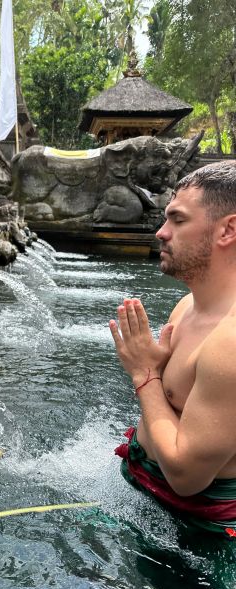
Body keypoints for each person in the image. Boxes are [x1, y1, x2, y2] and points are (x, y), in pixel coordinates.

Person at [110, 160, 236, 534]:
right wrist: (155, 369)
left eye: (177, 220)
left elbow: (185, 476)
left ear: (228, 229)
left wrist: (143, 373)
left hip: (194, 542)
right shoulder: (188, 305)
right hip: (146, 500)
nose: (161, 232)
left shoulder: (230, 342)